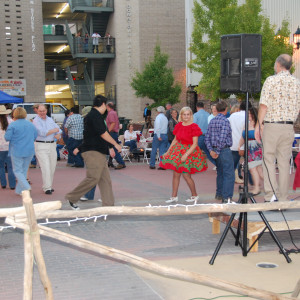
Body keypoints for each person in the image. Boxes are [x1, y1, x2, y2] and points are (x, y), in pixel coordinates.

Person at [255, 54, 300, 202]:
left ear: (278, 64)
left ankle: (271, 195)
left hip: (272, 124)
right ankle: (283, 197)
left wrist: (258, 125)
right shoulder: (297, 83)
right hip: (288, 127)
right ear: (290, 66)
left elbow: (263, 105)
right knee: (284, 163)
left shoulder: (271, 80)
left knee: (268, 159)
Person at [65, 95, 122, 210]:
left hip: (98, 151)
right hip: (93, 152)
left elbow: (93, 135)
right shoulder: (94, 116)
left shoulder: (95, 116)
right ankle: (71, 197)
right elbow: (103, 133)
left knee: (105, 179)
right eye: (106, 105)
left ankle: (109, 205)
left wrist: (110, 147)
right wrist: (115, 144)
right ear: (103, 104)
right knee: (93, 178)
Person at [160, 107, 207, 204]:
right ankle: (174, 197)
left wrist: (186, 155)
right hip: (179, 150)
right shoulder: (179, 125)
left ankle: (194, 195)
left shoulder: (194, 126)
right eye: (184, 114)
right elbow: (175, 140)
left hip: (189, 152)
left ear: (191, 115)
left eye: (188, 114)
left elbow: (195, 144)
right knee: (175, 175)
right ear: (181, 115)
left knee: (186, 175)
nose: (186, 116)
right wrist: (168, 151)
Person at [205, 101, 235, 203]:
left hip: (214, 149)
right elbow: (222, 138)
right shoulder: (225, 121)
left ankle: (219, 193)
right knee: (229, 173)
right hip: (224, 150)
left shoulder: (212, 121)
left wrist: (211, 150)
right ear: (226, 109)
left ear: (216, 110)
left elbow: (207, 137)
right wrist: (217, 151)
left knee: (220, 173)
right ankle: (227, 197)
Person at [4, 107, 37, 195]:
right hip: (29, 150)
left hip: (17, 150)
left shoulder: (12, 125)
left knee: (17, 171)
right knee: (24, 170)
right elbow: (35, 136)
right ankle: (19, 190)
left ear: (15, 114)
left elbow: (7, 138)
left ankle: (26, 186)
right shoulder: (31, 124)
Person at [33, 104, 62, 195]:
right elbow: (42, 133)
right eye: (40, 111)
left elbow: (59, 130)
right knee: (45, 166)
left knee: (52, 166)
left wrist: (58, 134)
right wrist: (54, 131)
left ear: (46, 110)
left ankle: (48, 185)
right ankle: (47, 188)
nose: (42, 113)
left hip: (52, 145)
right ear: (37, 111)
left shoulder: (50, 119)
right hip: (41, 145)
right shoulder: (36, 120)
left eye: (43, 111)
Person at [238, 107, 263, 195]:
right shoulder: (246, 124)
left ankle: (257, 188)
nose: (248, 115)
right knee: (259, 171)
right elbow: (242, 137)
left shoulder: (259, 124)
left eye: (249, 114)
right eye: (247, 114)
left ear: (254, 114)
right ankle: (273, 186)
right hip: (249, 149)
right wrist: (239, 145)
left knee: (253, 169)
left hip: (257, 149)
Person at [106, 102, 126, 169]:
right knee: (115, 148)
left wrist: (108, 131)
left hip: (112, 132)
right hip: (114, 133)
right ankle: (111, 161)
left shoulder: (111, 113)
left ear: (108, 106)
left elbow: (113, 123)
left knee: (114, 148)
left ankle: (121, 163)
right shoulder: (114, 112)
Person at [0, 105, 16, 190]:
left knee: (1, 167)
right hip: (10, 147)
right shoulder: (11, 122)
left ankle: (3, 184)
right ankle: (12, 185)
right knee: (10, 167)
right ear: (6, 114)